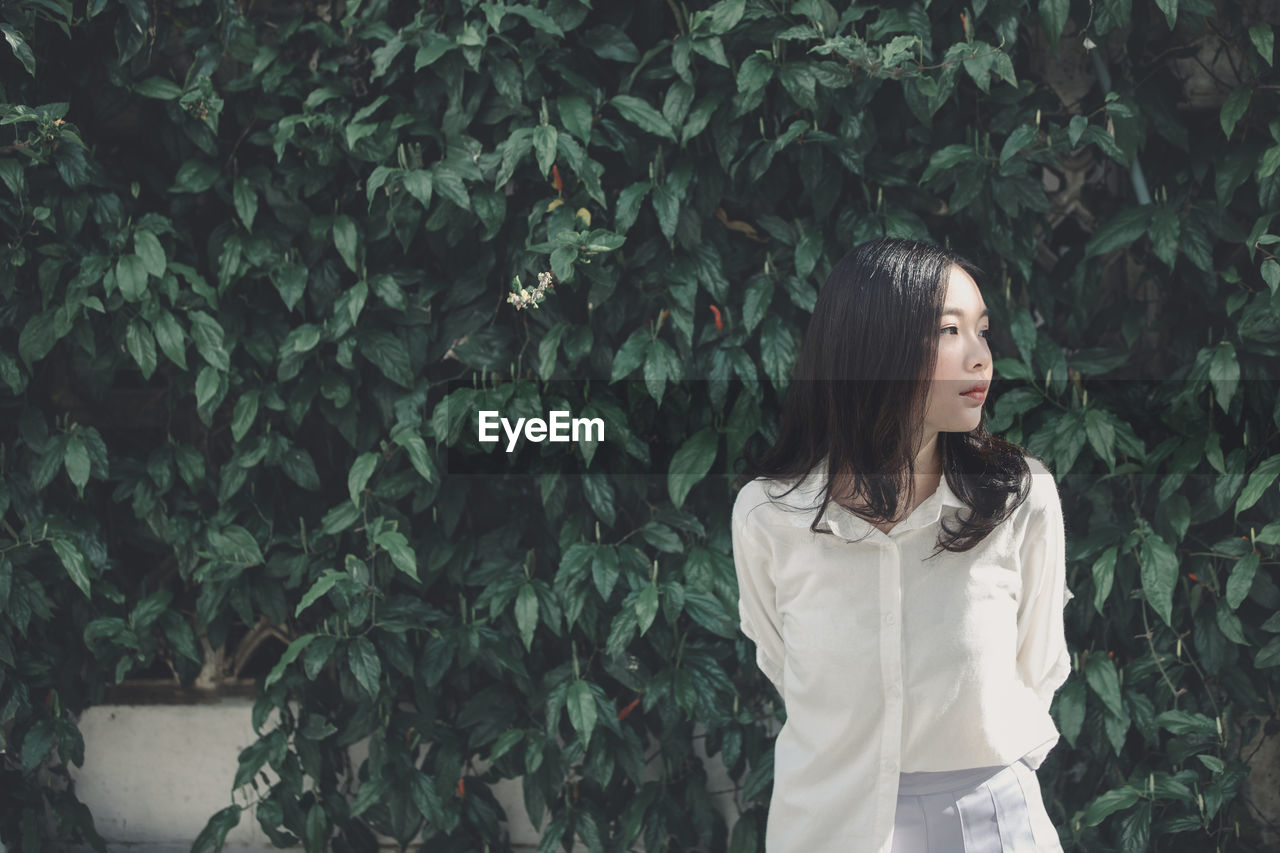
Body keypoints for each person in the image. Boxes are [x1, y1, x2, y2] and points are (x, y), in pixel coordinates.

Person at [731, 236, 1073, 852]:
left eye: (983, 331)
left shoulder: (1021, 498)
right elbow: (786, 665)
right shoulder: (768, 516)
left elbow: (1039, 663)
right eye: (950, 331)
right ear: (873, 344)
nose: (980, 358)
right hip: (826, 823)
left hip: (988, 822)